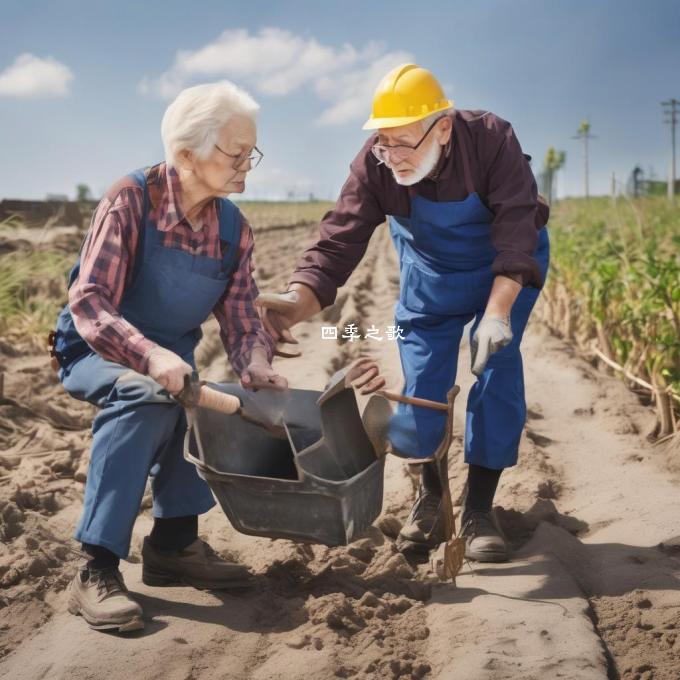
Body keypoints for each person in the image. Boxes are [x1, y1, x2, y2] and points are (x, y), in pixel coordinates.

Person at [256, 63, 550, 564]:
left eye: (403, 142)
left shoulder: (490, 140)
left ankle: (480, 509)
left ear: (443, 128)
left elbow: (518, 227)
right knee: (423, 384)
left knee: (497, 372)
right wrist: (294, 301)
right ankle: (431, 498)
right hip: (430, 277)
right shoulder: (376, 164)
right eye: (382, 143)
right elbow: (337, 241)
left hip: (504, 273)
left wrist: (497, 312)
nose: (391, 156)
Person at [50, 81, 286, 632]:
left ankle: (174, 546)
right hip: (97, 347)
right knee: (144, 394)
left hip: (170, 361)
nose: (246, 163)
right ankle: (96, 567)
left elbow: (244, 315)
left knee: (201, 401)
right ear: (186, 154)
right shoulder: (131, 201)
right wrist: (150, 357)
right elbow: (90, 303)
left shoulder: (233, 229)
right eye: (235, 151)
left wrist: (255, 361)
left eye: (251, 151)